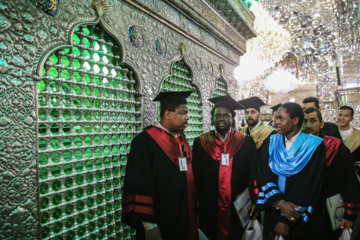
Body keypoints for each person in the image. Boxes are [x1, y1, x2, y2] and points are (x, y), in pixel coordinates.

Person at [121, 91, 199, 240]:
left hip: (184, 216)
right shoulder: (144, 142)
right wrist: (150, 227)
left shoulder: (181, 139)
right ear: (168, 114)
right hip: (162, 220)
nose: (187, 117)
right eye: (183, 113)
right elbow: (139, 186)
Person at [256, 102, 326, 240]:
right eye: (276, 118)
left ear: (295, 120)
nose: (276, 122)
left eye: (281, 118)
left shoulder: (314, 145)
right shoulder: (270, 141)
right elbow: (263, 173)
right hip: (274, 206)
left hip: (298, 213)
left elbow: (309, 183)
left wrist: (285, 219)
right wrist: (279, 203)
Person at [192, 95, 258, 240]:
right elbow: (195, 176)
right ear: (212, 118)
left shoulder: (245, 142)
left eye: (226, 115)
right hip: (209, 204)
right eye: (218, 115)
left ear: (232, 118)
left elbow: (253, 172)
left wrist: (255, 200)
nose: (221, 118)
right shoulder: (201, 143)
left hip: (238, 203)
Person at [302, 107, 360, 240]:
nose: (308, 126)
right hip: (302, 210)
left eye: (313, 121)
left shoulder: (334, 147)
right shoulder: (294, 147)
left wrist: (349, 214)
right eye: (304, 121)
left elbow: (348, 181)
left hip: (327, 210)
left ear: (321, 124)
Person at [338, 106, 360, 172]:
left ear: (352, 118)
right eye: (340, 115)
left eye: (346, 116)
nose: (342, 118)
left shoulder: (357, 136)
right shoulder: (330, 132)